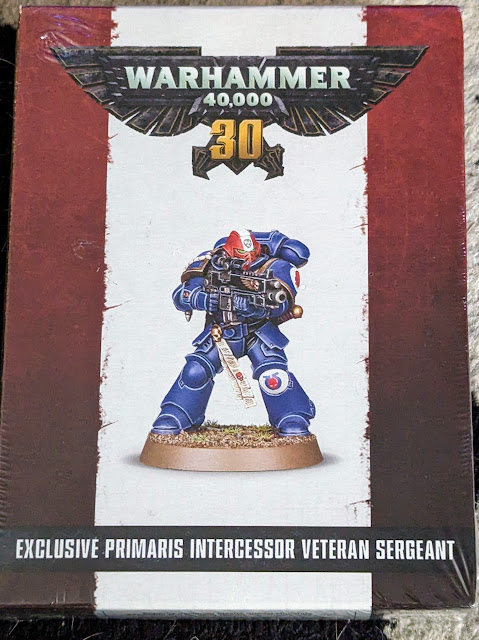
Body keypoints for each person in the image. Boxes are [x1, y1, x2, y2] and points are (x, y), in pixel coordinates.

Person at [151, 229, 315, 437]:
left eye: (252, 253)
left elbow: (283, 302)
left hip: (258, 332)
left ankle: (292, 416)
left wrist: (258, 309)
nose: (247, 259)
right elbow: (180, 295)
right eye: (241, 254)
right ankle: (177, 414)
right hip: (222, 332)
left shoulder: (272, 267)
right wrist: (203, 299)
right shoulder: (212, 263)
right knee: (195, 371)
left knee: (274, 377)